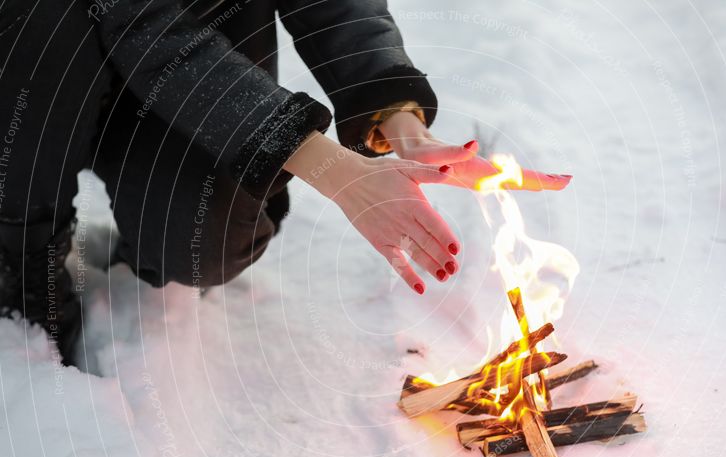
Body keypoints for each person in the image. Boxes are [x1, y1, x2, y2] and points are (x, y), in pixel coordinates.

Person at [0, 0, 570, 364]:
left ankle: (147, 214)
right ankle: (21, 248)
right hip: (43, 62)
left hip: (200, 54)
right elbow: (145, 27)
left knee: (199, 243)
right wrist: (334, 169)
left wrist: (395, 114)